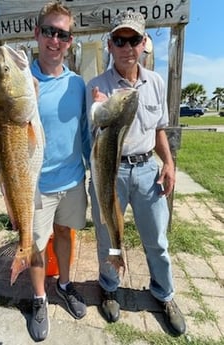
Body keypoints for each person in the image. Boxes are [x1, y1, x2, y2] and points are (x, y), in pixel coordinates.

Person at [86, 11, 186, 336]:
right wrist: (97, 110)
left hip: (146, 170)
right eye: (119, 40)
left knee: (156, 239)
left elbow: (159, 130)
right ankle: (110, 285)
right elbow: (94, 135)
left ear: (144, 44)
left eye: (133, 40)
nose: (127, 47)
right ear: (110, 45)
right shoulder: (97, 86)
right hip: (110, 172)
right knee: (108, 235)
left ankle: (164, 294)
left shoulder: (155, 82)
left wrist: (168, 163)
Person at [28, 1, 90, 342]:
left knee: (65, 234)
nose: (55, 40)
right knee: (35, 244)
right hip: (36, 184)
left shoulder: (77, 84)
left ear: (70, 41)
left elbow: (83, 132)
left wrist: (92, 172)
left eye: (63, 34)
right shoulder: (23, 81)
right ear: (37, 34)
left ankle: (64, 285)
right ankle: (39, 299)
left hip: (72, 179)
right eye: (50, 31)